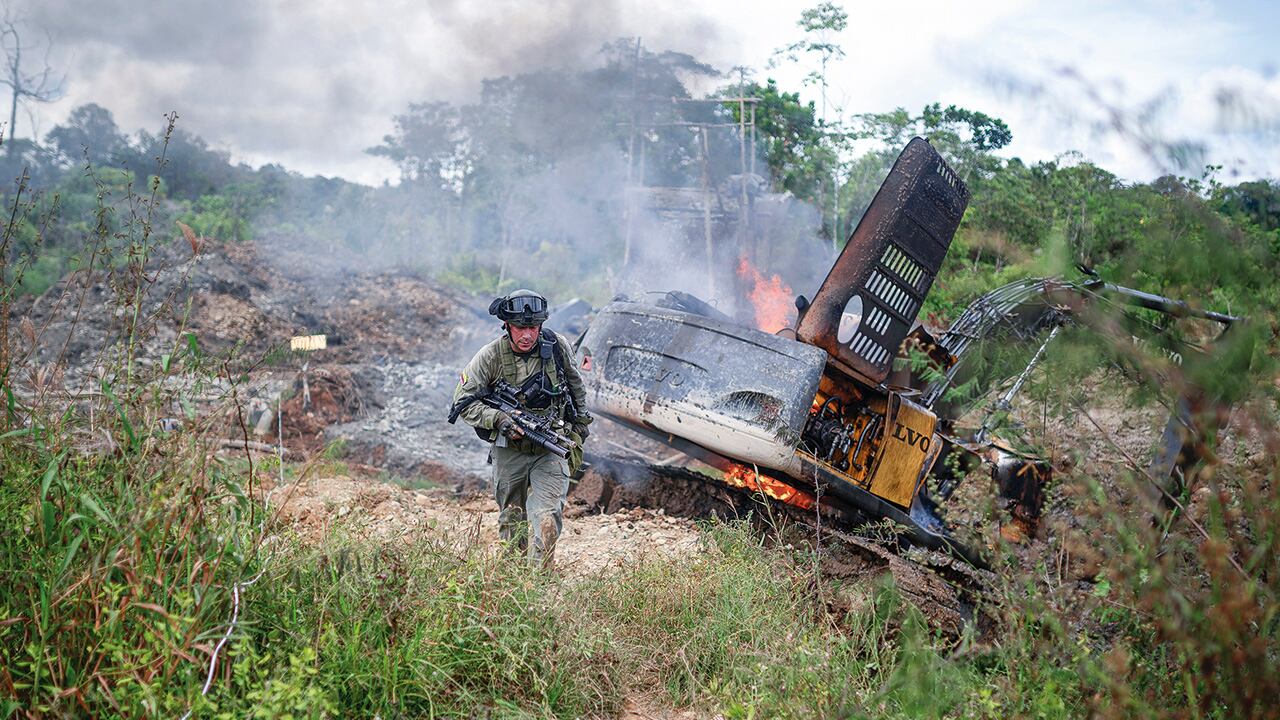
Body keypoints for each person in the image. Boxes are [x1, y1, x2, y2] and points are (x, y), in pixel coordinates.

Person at [450, 289, 592, 566]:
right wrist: (499, 420)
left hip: (550, 446)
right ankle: (514, 585)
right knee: (512, 520)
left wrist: (580, 426)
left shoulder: (557, 347)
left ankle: (538, 585)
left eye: (533, 327)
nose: (527, 334)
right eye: (520, 328)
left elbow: (576, 387)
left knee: (548, 517)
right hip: (509, 451)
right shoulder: (490, 356)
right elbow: (461, 403)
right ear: (507, 326)